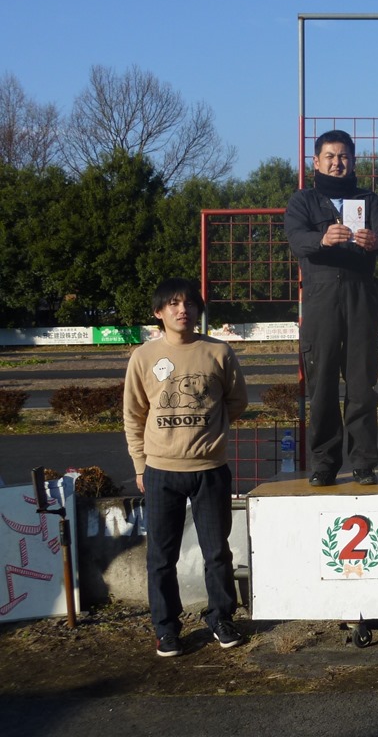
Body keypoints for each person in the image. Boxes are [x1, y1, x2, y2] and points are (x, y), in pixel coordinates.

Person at [124, 278, 248, 658]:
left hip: (211, 469)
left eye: (190, 303)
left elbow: (237, 401)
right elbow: (134, 414)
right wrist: (140, 465)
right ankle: (166, 628)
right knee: (161, 558)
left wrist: (211, 427)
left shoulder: (218, 352)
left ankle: (221, 618)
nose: (183, 310)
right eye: (174, 304)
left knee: (217, 553)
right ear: (158, 312)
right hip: (161, 471)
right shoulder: (144, 357)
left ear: (198, 310)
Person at [285, 130, 378, 487]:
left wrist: (377, 241)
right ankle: (324, 463)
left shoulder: (369, 200)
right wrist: (321, 238)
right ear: (316, 162)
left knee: (362, 385)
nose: (337, 163)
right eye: (330, 156)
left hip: (362, 295)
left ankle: (364, 462)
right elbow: (295, 239)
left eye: (344, 156)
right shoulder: (303, 201)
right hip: (320, 298)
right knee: (321, 385)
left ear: (353, 161)